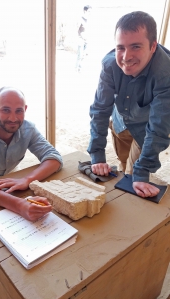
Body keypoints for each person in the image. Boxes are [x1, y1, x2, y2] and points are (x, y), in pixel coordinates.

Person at [87, 11, 170, 198]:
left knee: (134, 183)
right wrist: (97, 154)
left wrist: (142, 172)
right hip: (120, 122)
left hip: (146, 130)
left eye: (135, 47)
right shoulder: (109, 66)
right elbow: (100, 110)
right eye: (120, 47)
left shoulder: (166, 74)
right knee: (124, 167)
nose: (126, 56)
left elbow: (159, 127)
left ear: (153, 46)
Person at [0, 86, 63, 221]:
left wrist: (27, 180)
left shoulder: (28, 128)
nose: (13, 118)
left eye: (18, 111)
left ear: (25, 110)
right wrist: (20, 205)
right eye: (6, 110)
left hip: (9, 180)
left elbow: (54, 158)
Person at [75, 5, 92, 72]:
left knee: (84, 55)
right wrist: (81, 37)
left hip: (86, 40)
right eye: (89, 11)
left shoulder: (88, 20)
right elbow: (76, 29)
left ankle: (80, 68)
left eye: (91, 11)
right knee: (80, 55)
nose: (90, 13)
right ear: (85, 11)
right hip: (80, 40)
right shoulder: (80, 19)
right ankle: (76, 68)